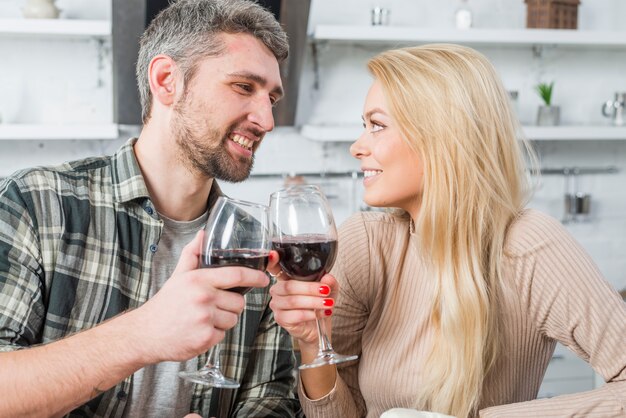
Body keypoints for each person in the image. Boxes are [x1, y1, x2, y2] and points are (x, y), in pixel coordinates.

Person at [269, 44, 626, 417]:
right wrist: (313, 344)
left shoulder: (528, 246)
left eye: (377, 125)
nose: (358, 146)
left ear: (440, 136)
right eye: (364, 126)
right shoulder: (366, 244)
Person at [0, 0, 303, 416]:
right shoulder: (36, 204)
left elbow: (271, 399)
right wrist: (144, 333)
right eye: (243, 87)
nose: (266, 120)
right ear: (166, 81)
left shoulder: (256, 244)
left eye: (271, 97)